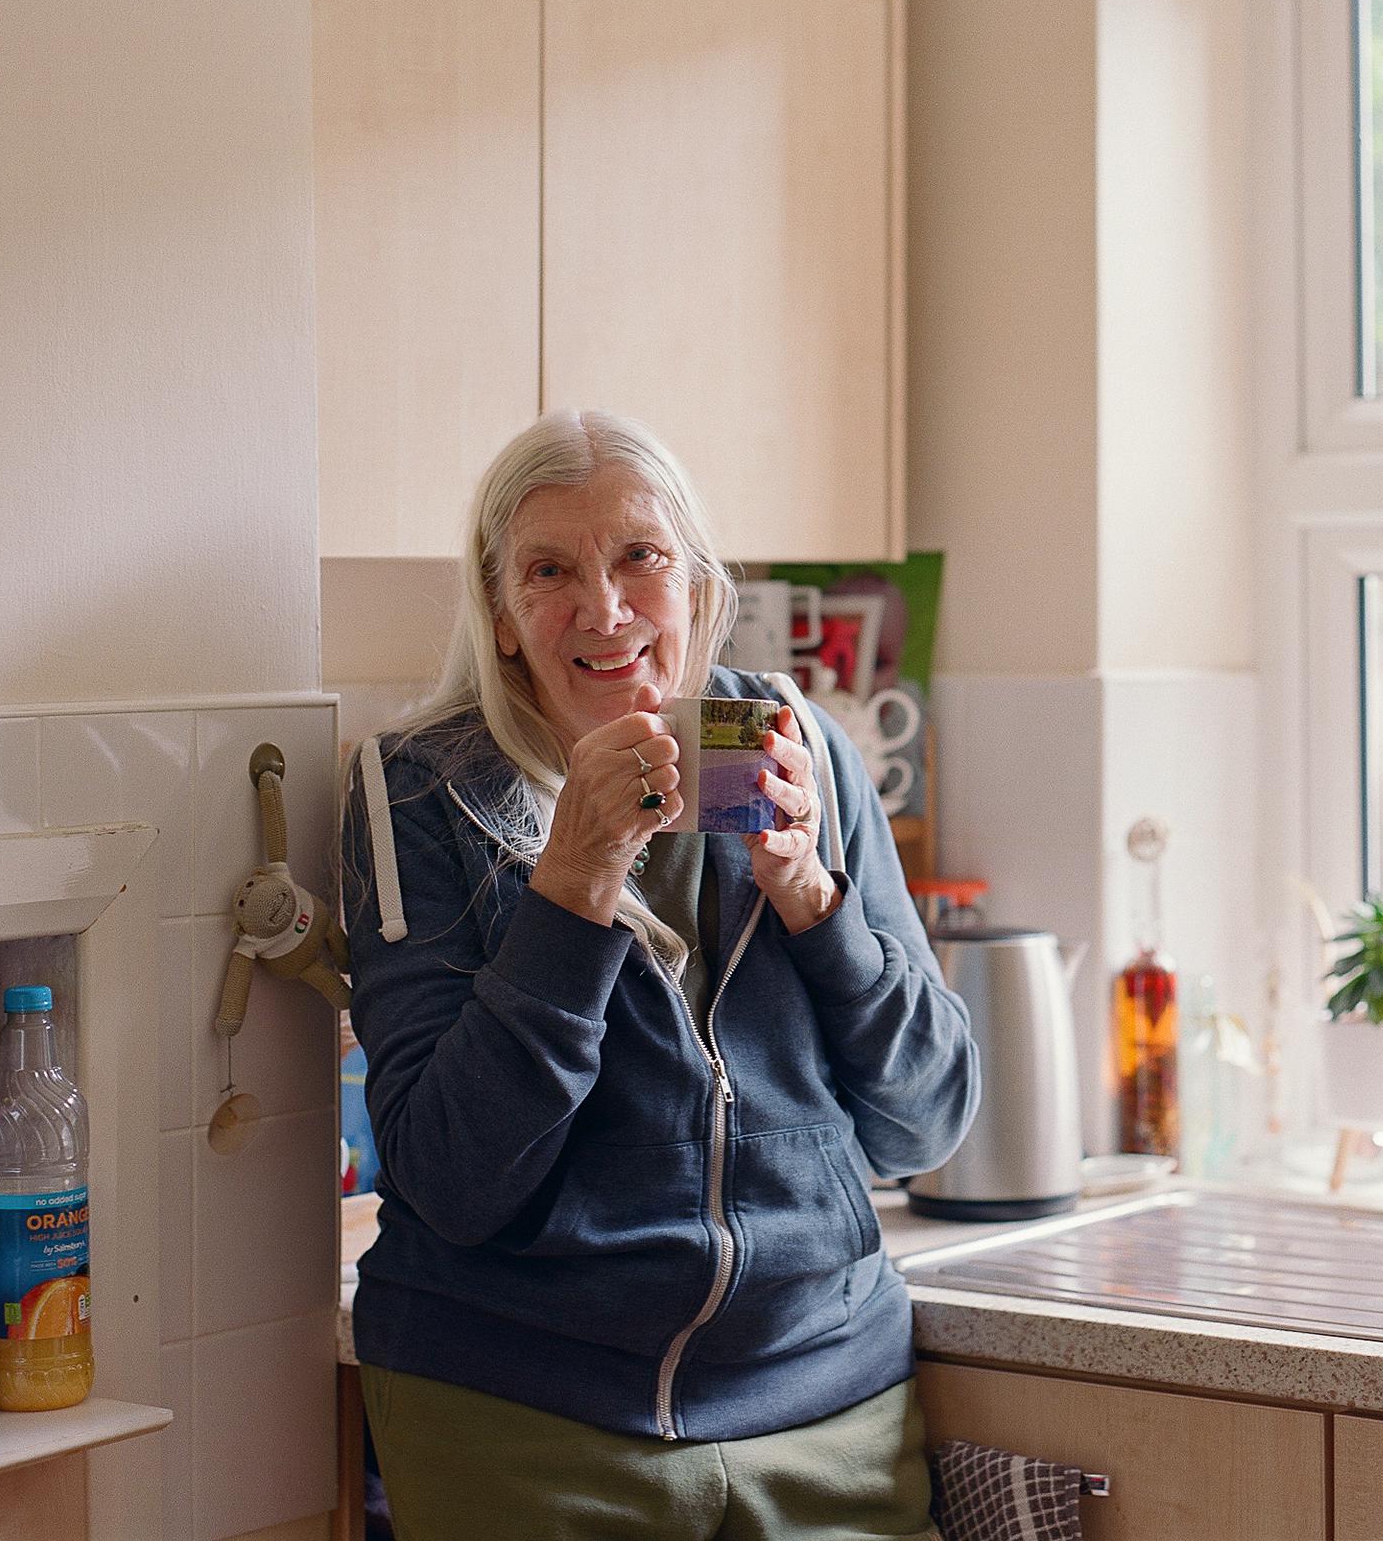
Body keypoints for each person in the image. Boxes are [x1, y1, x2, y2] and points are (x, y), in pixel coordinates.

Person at [338, 409, 979, 1541]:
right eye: (550, 570)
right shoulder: (418, 797)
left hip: (826, 1400)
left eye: (642, 557)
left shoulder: (801, 752)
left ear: (697, 584)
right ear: (498, 615)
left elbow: (923, 1123)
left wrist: (811, 900)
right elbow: (450, 1174)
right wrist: (572, 884)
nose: (605, 609)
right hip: (520, 1416)